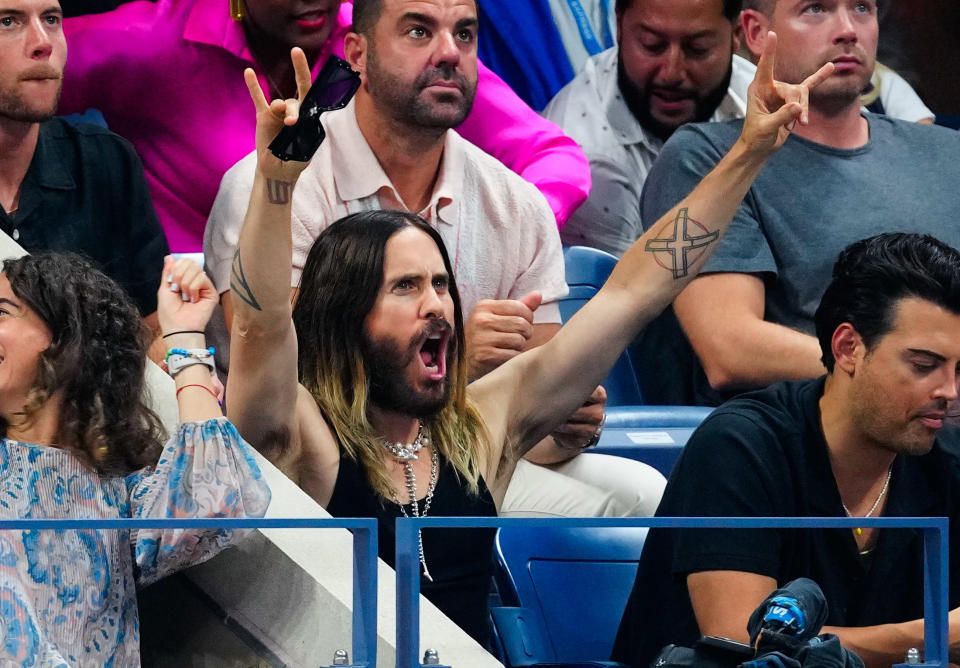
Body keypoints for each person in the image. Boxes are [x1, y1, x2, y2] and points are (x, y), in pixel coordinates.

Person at [224, 9, 830, 643]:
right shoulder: (304, 444)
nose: (438, 306)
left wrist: (749, 151)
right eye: (406, 287)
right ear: (348, 317)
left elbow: (634, 290)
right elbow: (262, 331)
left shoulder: (476, 432)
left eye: (440, 285)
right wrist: (275, 183)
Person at [612, 233, 960, 668]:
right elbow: (740, 640)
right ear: (848, 348)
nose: (949, 391)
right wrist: (933, 636)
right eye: (924, 366)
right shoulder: (739, 446)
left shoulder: (947, 458)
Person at [57, 0, 590, 252]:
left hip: (364, 328)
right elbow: (24, 69)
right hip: (205, 332)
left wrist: (506, 231)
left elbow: (555, 156)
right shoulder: (153, 44)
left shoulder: (381, 42)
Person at [635, 0, 960, 406]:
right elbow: (730, 347)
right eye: (815, 9)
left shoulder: (948, 153)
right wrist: (907, 376)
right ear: (755, 33)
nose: (847, 30)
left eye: (862, 8)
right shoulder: (711, 159)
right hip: (810, 437)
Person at [0, 251, 270, 665]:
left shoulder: (116, 497)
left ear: (67, 336)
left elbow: (217, 500)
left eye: (2, 312)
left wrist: (184, 339)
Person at [0, 0, 167, 320]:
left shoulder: (106, 162)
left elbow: (153, 323)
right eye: (8, 22)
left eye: (51, 19)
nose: (43, 43)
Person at [544, 0, 752, 257]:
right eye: (651, 45)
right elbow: (628, 293)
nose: (671, 73)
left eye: (698, 49)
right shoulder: (587, 163)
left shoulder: (754, 93)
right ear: (619, 26)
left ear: (736, 36)